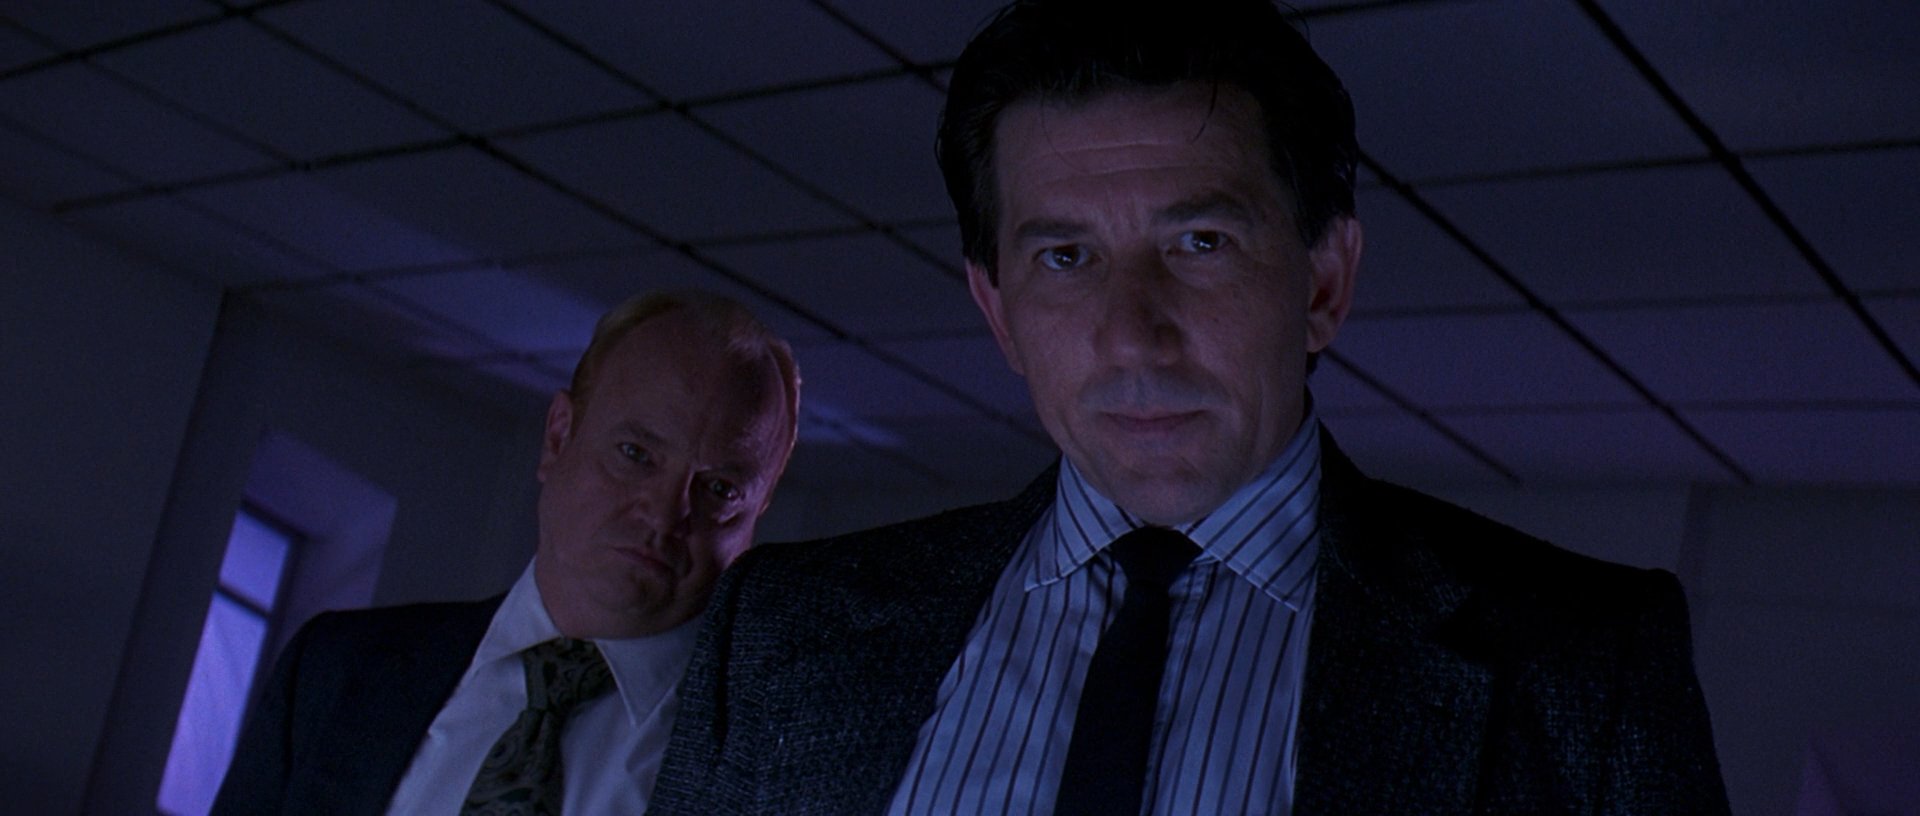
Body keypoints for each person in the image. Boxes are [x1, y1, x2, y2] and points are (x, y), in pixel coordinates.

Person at [647, 1, 1730, 814]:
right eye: (1065, 257)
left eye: (1199, 243)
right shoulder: (780, 634)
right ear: (998, 311)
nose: (1133, 333)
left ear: (1323, 283)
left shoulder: (1584, 671)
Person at [213, 290, 801, 814]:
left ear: (756, 519)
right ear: (558, 437)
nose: (666, 514)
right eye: (635, 454)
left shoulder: (774, 769)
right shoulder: (338, 673)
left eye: (720, 489)